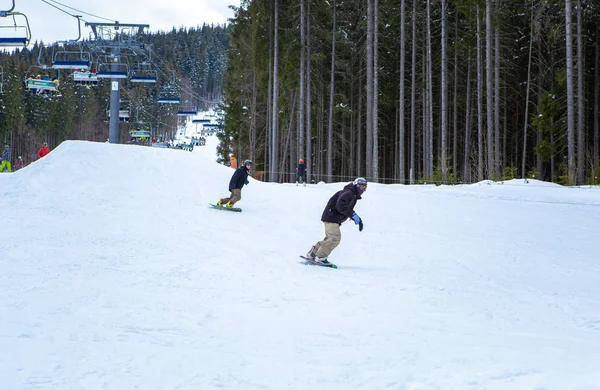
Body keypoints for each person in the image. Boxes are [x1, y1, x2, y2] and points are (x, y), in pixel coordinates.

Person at [306, 177, 367, 265]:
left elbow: (344, 207)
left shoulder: (351, 193)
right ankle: (321, 257)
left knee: (329, 238)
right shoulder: (349, 193)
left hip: (331, 217)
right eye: (362, 187)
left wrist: (353, 216)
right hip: (332, 217)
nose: (364, 190)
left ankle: (312, 254)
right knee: (335, 238)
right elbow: (340, 206)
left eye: (365, 187)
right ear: (356, 185)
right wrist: (353, 215)